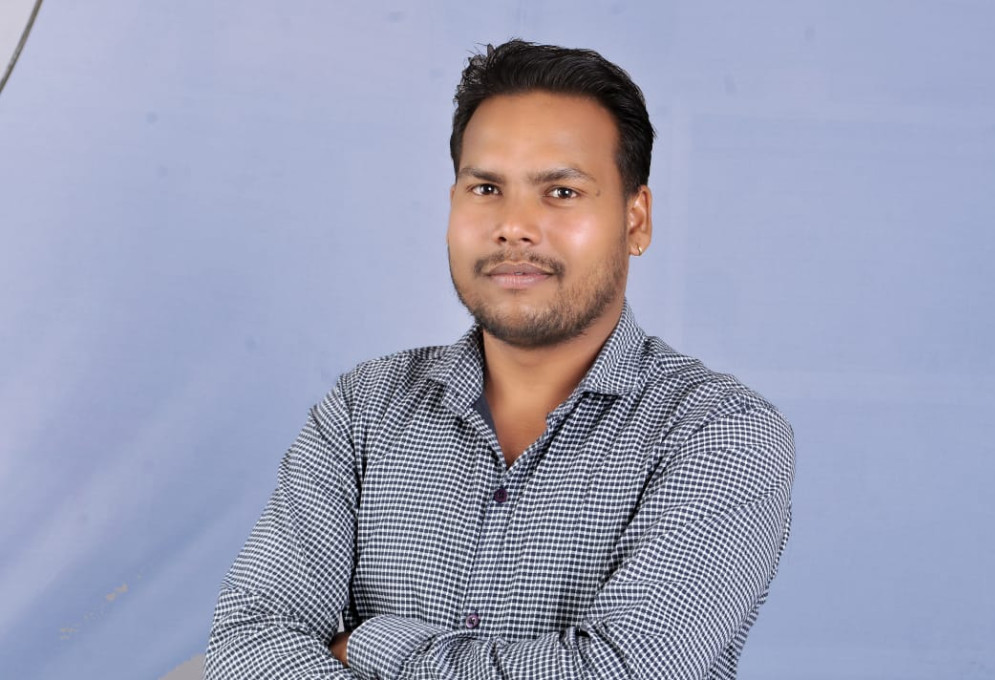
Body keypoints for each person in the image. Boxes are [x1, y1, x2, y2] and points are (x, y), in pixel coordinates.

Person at [205, 39, 794, 680]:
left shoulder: (721, 432)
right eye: (486, 187)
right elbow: (247, 642)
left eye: (561, 191)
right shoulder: (364, 409)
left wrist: (369, 644)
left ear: (635, 220)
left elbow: (622, 671)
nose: (514, 226)